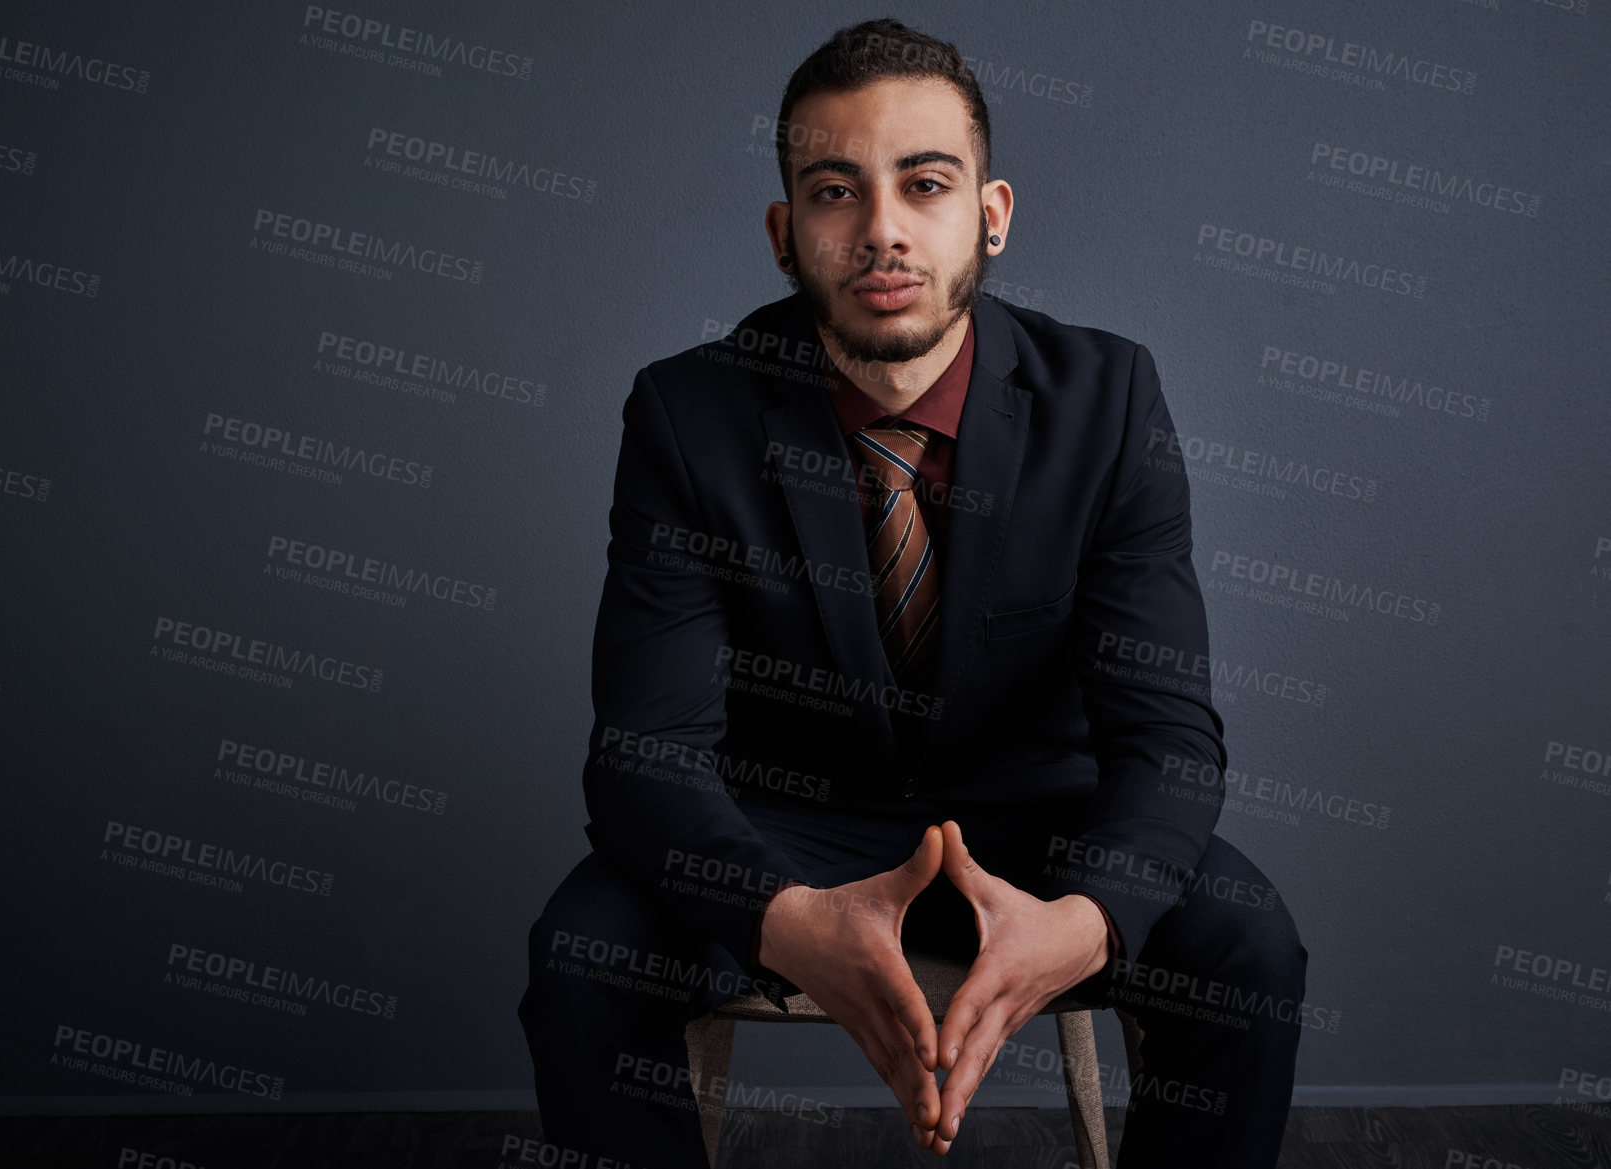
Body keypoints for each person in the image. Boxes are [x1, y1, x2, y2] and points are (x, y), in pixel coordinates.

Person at [519, 18, 1307, 1167]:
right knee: (581, 953)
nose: (882, 230)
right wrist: (788, 920)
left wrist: (1074, 924)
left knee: (1249, 948)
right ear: (787, 235)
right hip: (786, 819)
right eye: (835, 191)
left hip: (1037, 818)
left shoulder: (1108, 398)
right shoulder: (687, 416)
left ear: (987, 214)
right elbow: (643, 756)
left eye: (922, 183)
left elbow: (1169, 740)